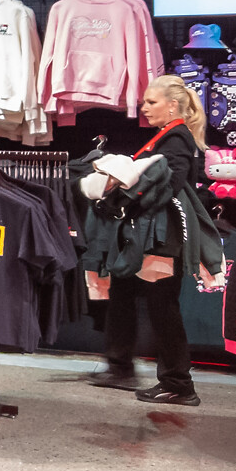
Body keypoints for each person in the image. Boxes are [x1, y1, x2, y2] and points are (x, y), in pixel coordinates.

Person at [87, 73, 207, 405]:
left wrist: (124, 192)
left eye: (151, 102)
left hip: (161, 239)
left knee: (162, 306)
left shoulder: (177, 138)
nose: (144, 108)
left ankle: (179, 385)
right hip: (147, 236)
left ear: (173, 106)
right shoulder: (167, 137)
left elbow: (168, 186)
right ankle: (121, 367)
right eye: (144, 102)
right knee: (124, 293)